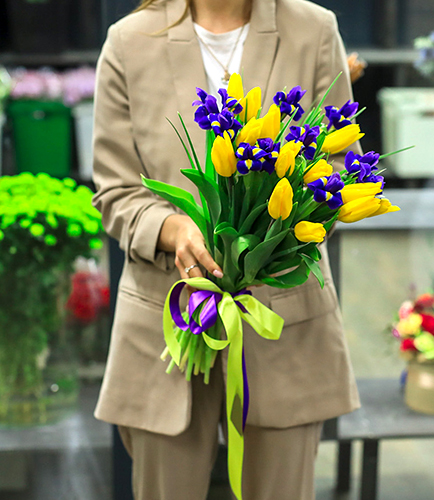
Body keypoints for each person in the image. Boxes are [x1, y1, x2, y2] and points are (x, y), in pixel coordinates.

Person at [92, 0, 361, 499]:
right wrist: (172, 229)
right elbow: (116, 192)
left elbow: (342, 171)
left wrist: (273, 243)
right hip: (165, 323)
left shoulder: (314, 29)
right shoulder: (129, 41)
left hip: (284, 325)